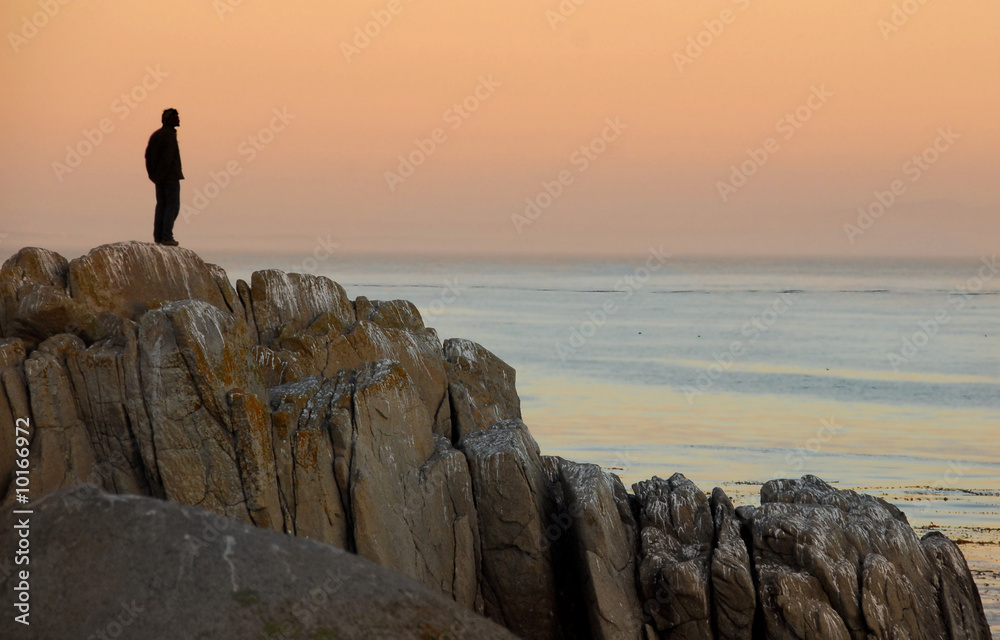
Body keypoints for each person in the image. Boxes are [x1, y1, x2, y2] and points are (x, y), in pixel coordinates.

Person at [145, 108, 184, 246]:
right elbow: (167, 158)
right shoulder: (168, 135)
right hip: (170, 177)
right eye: (176, 117)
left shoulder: (156, 135)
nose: (178, 119)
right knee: (172, 206)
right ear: (168, 120)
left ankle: (159, 237)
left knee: (162, 206)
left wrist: (153, 175)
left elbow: (148, 156)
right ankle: (167, 236)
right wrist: (162, 175)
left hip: (160, 178)